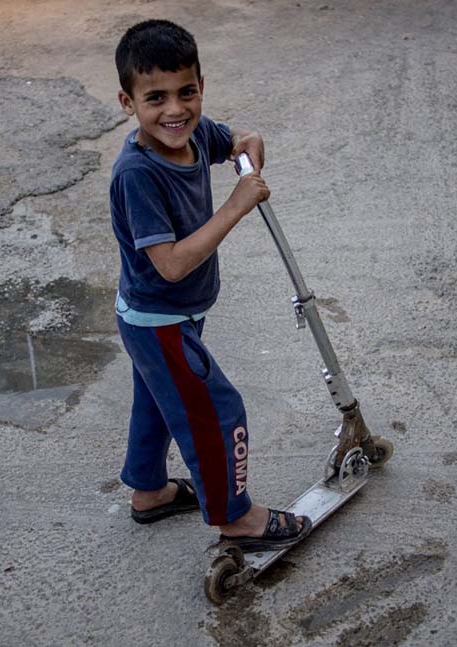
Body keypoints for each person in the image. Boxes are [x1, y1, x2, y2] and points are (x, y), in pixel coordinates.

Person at [110, 19, 311, 552]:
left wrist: (248, 143)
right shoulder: (138, 174)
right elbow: (171, 265)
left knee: (155, 403)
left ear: (200, 85)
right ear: (127, 102)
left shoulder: (194, 133)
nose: (175, 110)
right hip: (160, 318)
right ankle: (235, 516)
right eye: (155, 98)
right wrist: (237, 205)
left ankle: (149, 492)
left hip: (171, 314)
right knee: (217, 411)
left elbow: (234, 140)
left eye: (187, 92)